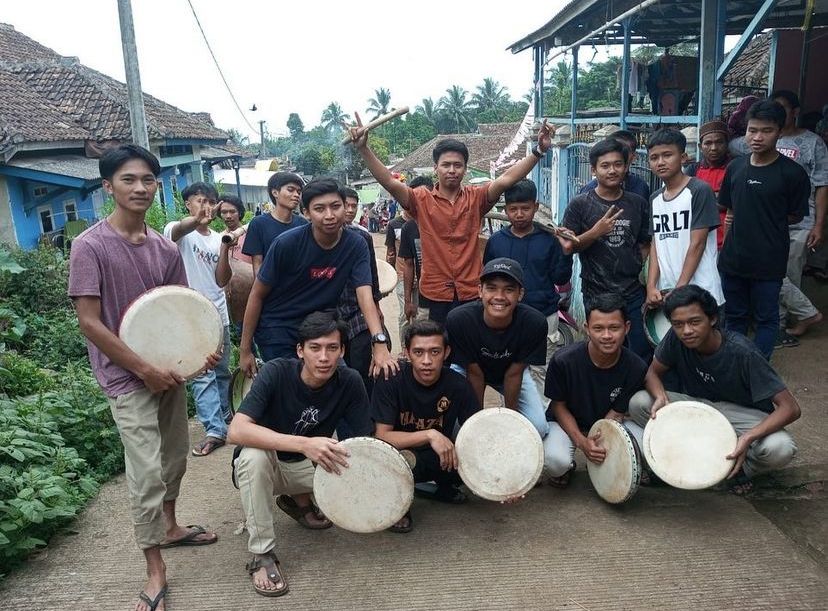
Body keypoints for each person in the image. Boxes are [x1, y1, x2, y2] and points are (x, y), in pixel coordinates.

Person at [69, 144, 218, 611]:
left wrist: (200, 354)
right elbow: (90, 323)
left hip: (168, 376)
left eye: (147, 180)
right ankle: (155, 569)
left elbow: (182, 310)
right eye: (128, 179)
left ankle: (170, 526)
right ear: (108, 185)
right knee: (146, 472)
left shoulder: (161, 245)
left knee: (174, 459)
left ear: (158, 186)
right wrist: (143, 369)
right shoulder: (89, 246)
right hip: (126, 378)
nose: (139, 188)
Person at [347, 114, 554, 323]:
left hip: (471, 291)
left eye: (458, 165)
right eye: (446, 165)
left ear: (465, 168)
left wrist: (539, 151)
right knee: (436, 349)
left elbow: (507, 178)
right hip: (434, 292)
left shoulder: (477, 198)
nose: (452, 170)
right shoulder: (421, 200)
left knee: (468, 350)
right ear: (436, 167)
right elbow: (390, 183)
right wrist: (364, 149)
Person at [228, 312, 372, 597]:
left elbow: (363, 444)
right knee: (252, 457)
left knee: (353, 462)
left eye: (332, 348)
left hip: (306, 466)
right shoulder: (276, 372)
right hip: (268, 467)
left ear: (342, 350)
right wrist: (304, 444)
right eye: (315, 348)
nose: (324, 357)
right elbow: (237, 430)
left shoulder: (350, 381)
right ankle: (262, 554)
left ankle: (298, 503)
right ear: (300, 350)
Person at [626, 285, 800, 494]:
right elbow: (651, 373)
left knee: (780, 448)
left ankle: (735, 471)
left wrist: (749, 437)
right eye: (678, 324)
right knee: (640, 402)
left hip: (741, 414)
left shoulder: (743, 352)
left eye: (695, 322)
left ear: (713, 319)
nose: (687, 331)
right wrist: (661, 396)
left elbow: (790, 408)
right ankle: (690, 461)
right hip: (698, 407)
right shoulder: (676, 338)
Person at [239, 178, 396, 379]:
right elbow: (257, 295)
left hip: (319, 327)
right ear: (306, 213)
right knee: (292, 389)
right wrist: (245, 350)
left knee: (336, 384)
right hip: (278, 328)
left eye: (336, 206)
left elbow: (364, 295)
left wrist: (379, 342)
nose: (329, 215)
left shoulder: (356, 244)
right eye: (319, 209)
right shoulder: (286, 244)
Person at [718, 100, 810, 359]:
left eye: (766, 131)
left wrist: (765, 224)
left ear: (779, 131)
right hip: (733, 259)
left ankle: (757, 368)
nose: (757, 137)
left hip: (769, 262)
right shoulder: (735, 167)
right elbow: (728, 207)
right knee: (734, 316)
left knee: (766, 318)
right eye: (752, 130)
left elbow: (794, 215)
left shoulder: (792, 174)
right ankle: (735, 364)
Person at [372, 320, 480, 532]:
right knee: (398, 461)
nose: (427, 361)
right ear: (407, 353)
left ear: (446, 352)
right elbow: (382, 436)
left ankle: (439, 487)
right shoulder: (390, 380)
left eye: (435, 352)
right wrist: (430, 434)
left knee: (471, 460)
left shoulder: (458, 384)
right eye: (418, 352)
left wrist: (505, 483)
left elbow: (480, 433)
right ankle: (398, 503)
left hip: (440, 455)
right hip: (400, 454)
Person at [557, 138, 652, 360]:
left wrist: (638, 266)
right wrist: (596, 232)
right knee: (602, 350)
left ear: (626, 166)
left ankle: (635, 392)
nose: (612, 170)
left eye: (618, 164)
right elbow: (568, 246)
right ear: (593, 169)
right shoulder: (580, 204)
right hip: (596, 291)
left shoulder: (637, 203)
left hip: (632, 291)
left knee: (640, 349)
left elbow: (645, 242)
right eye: (605, 165)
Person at [542, 293, 648, 487]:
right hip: (566, 424)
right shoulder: (563, 361)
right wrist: (583, 443)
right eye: (598, 328)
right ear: (587, 329)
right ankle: (569, 466)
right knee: (556, 462)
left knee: (645, 449)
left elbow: (615, 413)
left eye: (614, 328)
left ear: (627, 328)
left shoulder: (636, 367)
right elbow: (558, 407)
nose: (607, 336)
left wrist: (600, 440)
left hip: (606, 424)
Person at [483, 178, 573, 394]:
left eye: (525, 208)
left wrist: (567, 253)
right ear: (505, 210)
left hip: (543, 314)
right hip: (507, 316)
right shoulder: (496, 241)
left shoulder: (549, 240)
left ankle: (540, 418)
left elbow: (560, 278)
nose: (520, 214)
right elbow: (488, 279)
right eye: (514, 209)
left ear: (535, 207)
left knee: (541, 368)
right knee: (509, 368)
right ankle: (513, 418)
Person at [163, 183, 233, 454]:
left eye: (210, 201)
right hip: (189, 316)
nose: (206, 207)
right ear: (187, 205)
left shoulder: (218, 238)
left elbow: (222, 279)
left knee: (222, 371)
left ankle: (226, 419)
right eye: (200, 201)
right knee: (201, 374)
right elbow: (180, 229)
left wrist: (227, 247)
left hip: (218, 314)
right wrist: (196, 221)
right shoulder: (178, 231)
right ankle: (214, 430)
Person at [445, 258, 550, 437]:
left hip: (510, 371)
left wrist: (510, 420)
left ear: (520, 294)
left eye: (509, 289)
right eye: (491, 288)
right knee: (459, 429)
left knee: (537, 428)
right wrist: (476, 420)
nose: (499, 297)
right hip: (468, 368)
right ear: (480, 291)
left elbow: (514, 374)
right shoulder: (459, 319)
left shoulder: (535, 323)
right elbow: (474, 373)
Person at [645, 129, 724, 316]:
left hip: (701, 289)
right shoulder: (655, 198)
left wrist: (681, 288)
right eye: (654, 158)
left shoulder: (698, 190)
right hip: (669, 290)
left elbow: (697, 244)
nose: (660, 162)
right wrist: (651, 285)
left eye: (667, 155)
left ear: (683, 157)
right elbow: (656, 244)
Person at [337, 187, 384, 402]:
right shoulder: (312, 237)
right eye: (344, 205)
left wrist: (377, 308)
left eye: (353, 206)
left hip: (358, 310)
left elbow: (371, 277)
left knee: (361, 365)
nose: (348, 210)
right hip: (332, 313)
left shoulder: (362, 237)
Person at [241, 172, 307, 277]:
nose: (296, 195)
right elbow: (257, 265)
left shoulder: (303, 224)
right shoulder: (258, 224)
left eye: (299, 192)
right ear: (275, 192)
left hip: (299, 288)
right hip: (270, 288)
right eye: (291, 190)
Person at [684, 120, 732, 249]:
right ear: (700, 147)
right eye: (708, 143)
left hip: (727, 243)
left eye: (719, 142)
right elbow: (686, 203)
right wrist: (721, 198)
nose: (714, 148)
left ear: (727, 144)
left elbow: (735, 201)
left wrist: (702, 200)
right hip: (698, 242)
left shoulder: (735, 168)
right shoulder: (693, 170)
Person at [398, 176, 434, 326]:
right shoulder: (409, 228)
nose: (421, 200)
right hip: (424, 297)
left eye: (425, 195)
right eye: (416, 197)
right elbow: (409, 265)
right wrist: (408, 301)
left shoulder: (446, 221)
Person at [580, 129, 651, 201]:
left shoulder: (640, 186)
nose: (612, 170)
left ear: (633, 157)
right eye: (605, 166)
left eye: (623, 151)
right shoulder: (588, 192)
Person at [385, 204, 408, 341]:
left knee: (422, 315)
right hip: (402, 275)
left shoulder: (425, 220)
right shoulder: (394, 224)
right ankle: (405, 348)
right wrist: (389, 278)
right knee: (405, 314)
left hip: (425, 277)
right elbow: (390, 252)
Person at [217, 193, 252, 264]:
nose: (228, 216)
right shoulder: (218, 238)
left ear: (240, 213)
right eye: (224, 212)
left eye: (232, 212)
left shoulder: (251, 235)